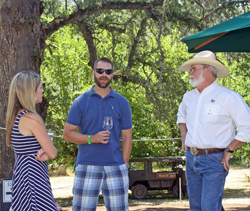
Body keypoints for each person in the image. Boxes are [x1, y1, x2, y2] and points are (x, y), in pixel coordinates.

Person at [176, 50, 250, 211]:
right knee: (196, 207)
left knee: (209, 207)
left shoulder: (228, 97)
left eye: (194, 68)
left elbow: (247, 126)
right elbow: (181, 117)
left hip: (215, 159)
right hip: (191, 158)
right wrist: (184, 137)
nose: (190, 73)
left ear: (207, 71)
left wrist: (230, 149)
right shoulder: (188, 97)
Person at [63, 57, 132, 211]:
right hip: (87, 165)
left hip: (115, 167)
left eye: (108, 72)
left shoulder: (122, 102)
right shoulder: (81, 102)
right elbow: (67, 134)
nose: (104, 74)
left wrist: (124, 164)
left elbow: (127, 137)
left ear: (113, 75)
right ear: (93, 73)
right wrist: (91, 138)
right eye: (100, 71)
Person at [5, 70, 58, 210]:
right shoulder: (32, 119)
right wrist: (47, 151)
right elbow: (52, 152)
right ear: (31, 92)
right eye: (40, 87)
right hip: (34, 177)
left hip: (21, 175)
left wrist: (44, 150)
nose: (42, 90)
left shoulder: (14, 117)